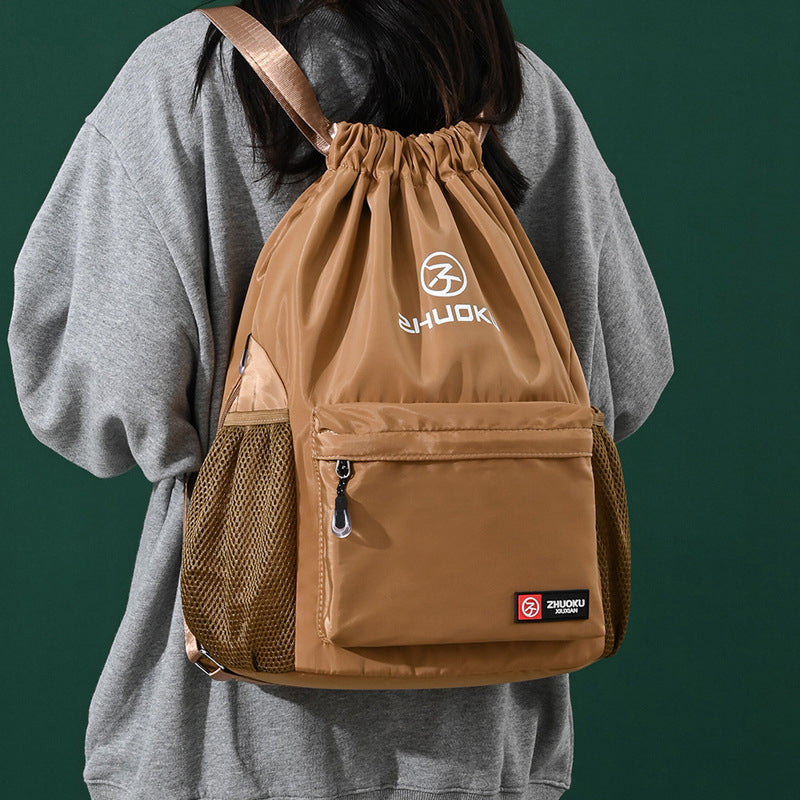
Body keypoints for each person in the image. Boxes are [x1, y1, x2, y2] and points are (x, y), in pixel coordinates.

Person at [8, 1, 673, 798]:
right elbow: (627, 379)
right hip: (488, 750)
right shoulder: (515, 91)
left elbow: (88, 403)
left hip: (229, 745)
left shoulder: (188, 78)